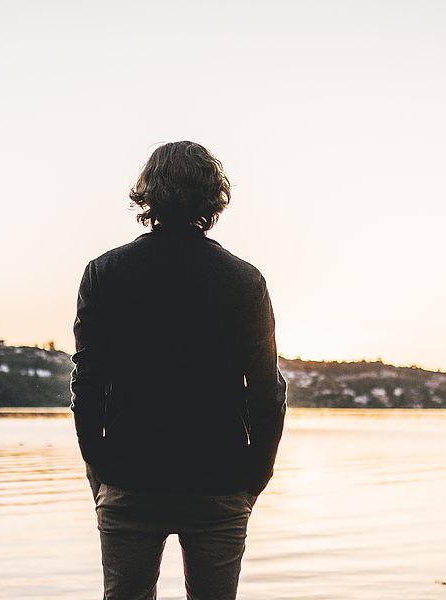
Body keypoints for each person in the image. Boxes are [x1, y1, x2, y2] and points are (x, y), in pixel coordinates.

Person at [70, 140, 287, 600]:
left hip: (130, 476)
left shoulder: (104, 273)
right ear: (214, 198)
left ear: (147, 193)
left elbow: (87, 382)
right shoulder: (244, 281)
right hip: (220, 481)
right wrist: (256, 474)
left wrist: (99, 466)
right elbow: (266, 389)